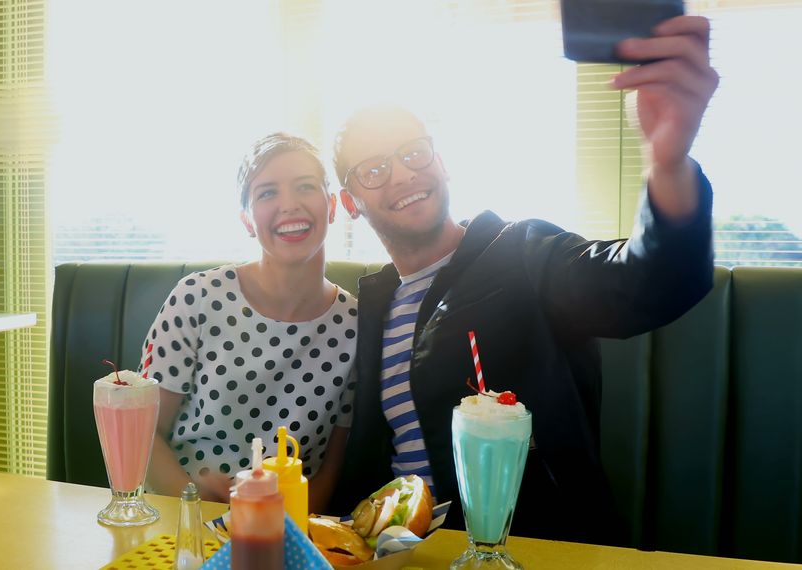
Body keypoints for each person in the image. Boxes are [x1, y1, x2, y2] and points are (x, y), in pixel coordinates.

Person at [329, 16, 719, 546]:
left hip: (528, 547)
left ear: (440, 162)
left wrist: (667, 161)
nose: (401, 175)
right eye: (372, 170)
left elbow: (646, 284)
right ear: (350, 202)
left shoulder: (524, 252)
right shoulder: (371, 305)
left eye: (413, 154)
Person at [142, 133, 357, 510]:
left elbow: (328, 474)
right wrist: (194, 500)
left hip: (290, 533)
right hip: (184, 518)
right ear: (247, 220)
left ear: (332, 206)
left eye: (305, 187)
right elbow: (142, 431)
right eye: (267, 193)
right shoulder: (196, 296)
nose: (289, 205)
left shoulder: (356, 325)